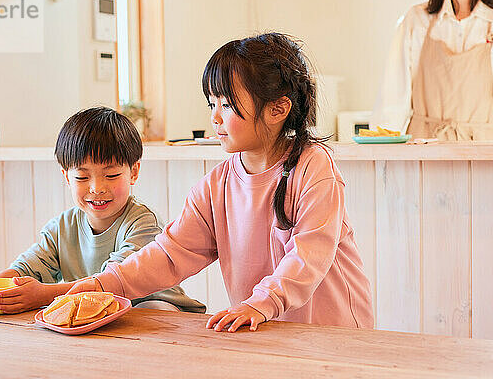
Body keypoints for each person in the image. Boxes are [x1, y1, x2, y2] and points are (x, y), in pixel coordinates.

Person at [68, 33, 374, 332]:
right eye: (211, 104)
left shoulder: (314, 165)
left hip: (337, 334)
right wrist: (102, 284)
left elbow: (309, 256)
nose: (215, 117)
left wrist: (261, 303)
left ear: (277, 109)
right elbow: (169, 254)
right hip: (265, 333)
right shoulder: (215, 185)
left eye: (226, 105)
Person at [0, 107, 205, 314]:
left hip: (158, 310)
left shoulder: (143, 223)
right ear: (66, 177)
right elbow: (28, 268)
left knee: (151, 310)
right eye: (82, 178)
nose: (96, 188)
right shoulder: (61, 228)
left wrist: (43, 294)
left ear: (134, 172)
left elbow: (112, 283)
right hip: (98, 314)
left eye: (112, 175)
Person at [373, 0, 493, 140]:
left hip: (484, 156)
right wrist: (379, 158)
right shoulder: (416, 20)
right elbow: (391, 108)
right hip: (423, 155)